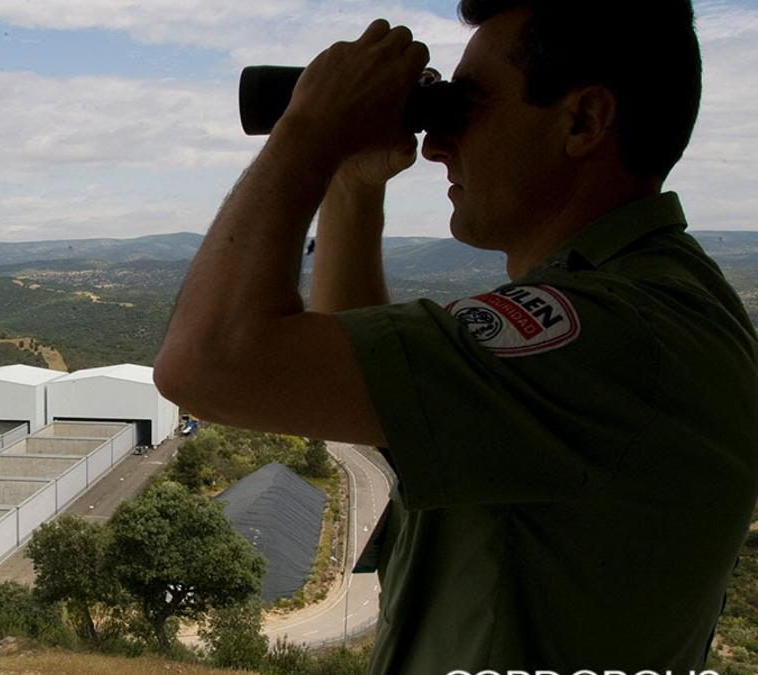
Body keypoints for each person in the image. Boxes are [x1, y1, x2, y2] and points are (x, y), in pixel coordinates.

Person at [153, 0, 758, 672]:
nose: (437, 144)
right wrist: (352, 183)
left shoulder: (618, 335)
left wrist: (307, 134)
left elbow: (206, 365)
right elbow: (351, 385)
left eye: (464, 109)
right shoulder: (645, 308)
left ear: (583, 120)